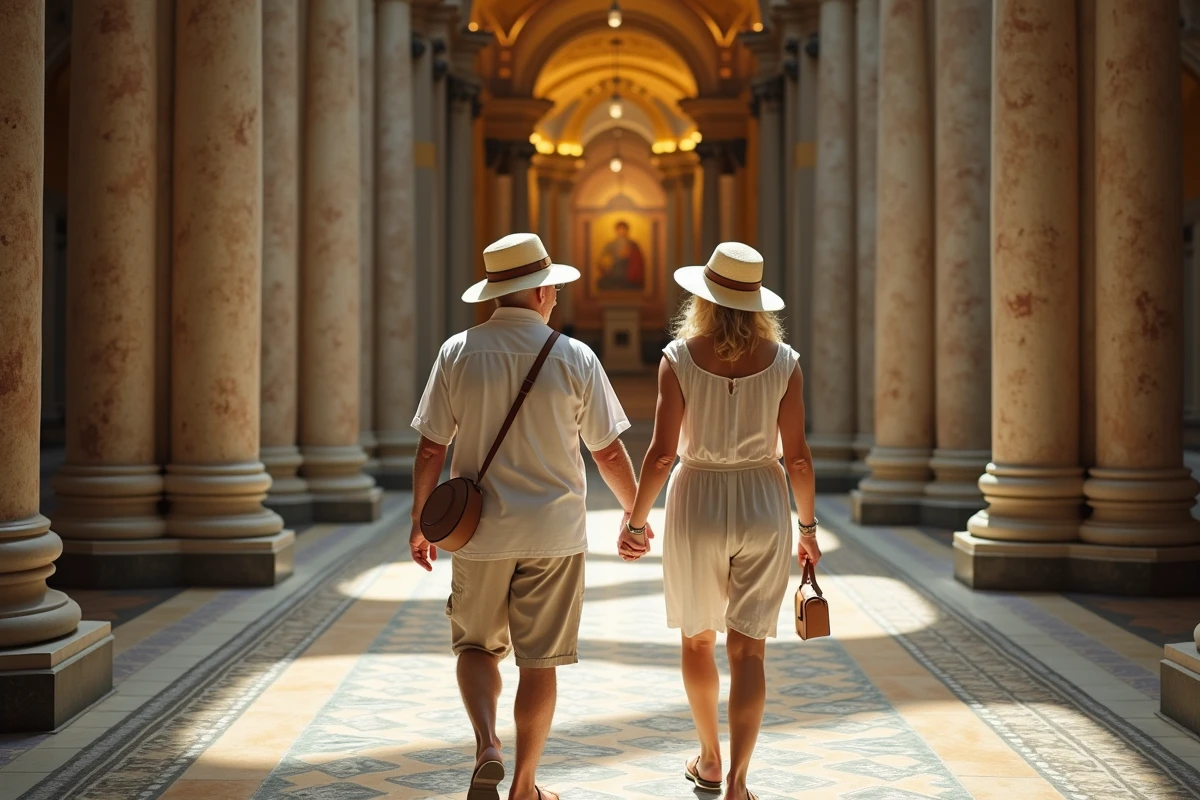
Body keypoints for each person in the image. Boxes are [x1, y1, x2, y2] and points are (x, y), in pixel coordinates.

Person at [409, 232, 647, 800]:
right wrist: (634, 516)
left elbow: (430, 449)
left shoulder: (456, 352)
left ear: (496, 292)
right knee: (540, 662)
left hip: (477, 531)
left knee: (474, 647)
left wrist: (420, 521)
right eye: (555, 288)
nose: (557, 297)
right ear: (540, 291)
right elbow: (608, 450)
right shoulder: (575, 357)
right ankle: (523, 786)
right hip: (555, 534)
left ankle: (487, 744)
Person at [616, 242, 819, 800]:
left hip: (696, 497)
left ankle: (708, 758)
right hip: (763, 496)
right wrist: (807, 530)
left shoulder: (678, 358)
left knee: (697, 640)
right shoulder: (785, 363)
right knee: (748, 648)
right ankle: (738, 782)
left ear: (702, 298)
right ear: (757, 304)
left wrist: (635, 522)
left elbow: (660, 454)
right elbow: (798, 457)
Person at [596, 219, 646, 290]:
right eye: (620, 229)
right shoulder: (611, 244)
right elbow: (602, 259)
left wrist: (630, 254)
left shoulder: (633, 244)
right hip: (614, 271)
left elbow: (639, 260)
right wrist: (605, 266)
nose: (622, 231)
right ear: (616, 230)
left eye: (624, 229)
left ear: (627, 230)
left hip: (629, 272)